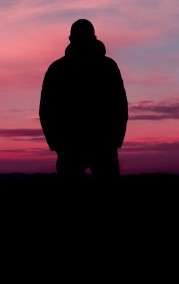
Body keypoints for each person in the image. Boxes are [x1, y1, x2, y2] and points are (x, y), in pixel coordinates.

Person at [39, 19, 128, 181]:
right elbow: (47, 109)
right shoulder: (58, 69)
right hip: (78, 145)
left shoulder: (58, 69)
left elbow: (120, 105)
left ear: (70, 39)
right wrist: (55, 143)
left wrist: (115, 140)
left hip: (95, 144)